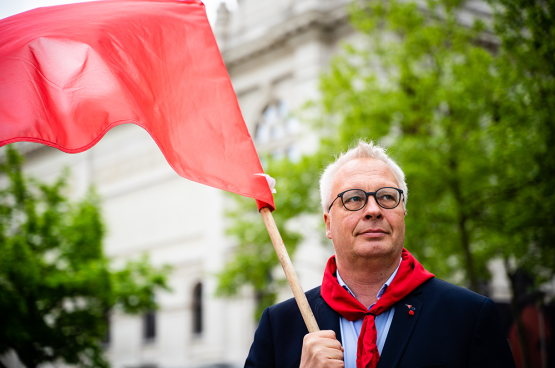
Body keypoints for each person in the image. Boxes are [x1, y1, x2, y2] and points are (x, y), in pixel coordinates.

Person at [244, 141, 516, 368]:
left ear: (403, 213)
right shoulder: (279, 326)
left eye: (387, 197)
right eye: (353, 199)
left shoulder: (468, 317)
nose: (373, 209)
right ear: (328, 223)